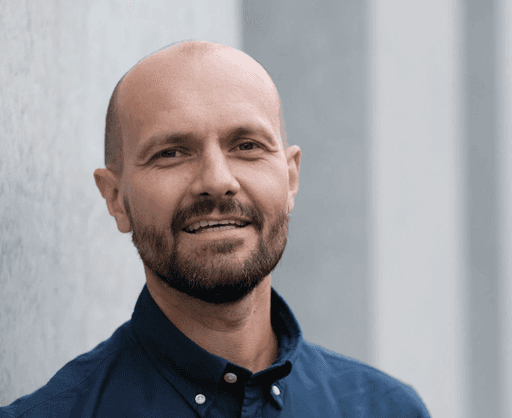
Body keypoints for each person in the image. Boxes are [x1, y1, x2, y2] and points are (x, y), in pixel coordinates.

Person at [0, 40, 430, 417]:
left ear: (291, 177)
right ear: (116, 198)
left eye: (247, 146)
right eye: (171, 153)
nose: (217, 180)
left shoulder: (387, 409)